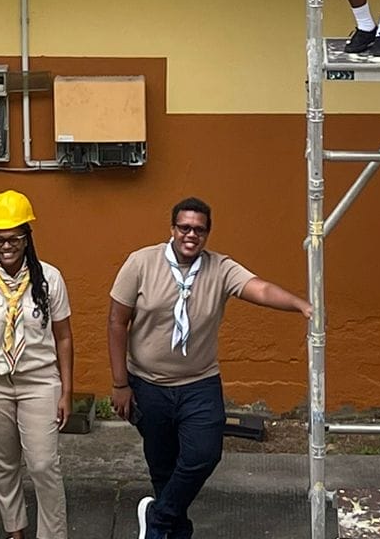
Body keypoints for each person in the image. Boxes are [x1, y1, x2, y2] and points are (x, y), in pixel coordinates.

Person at [108, 197, 311, 539]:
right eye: (184, 227)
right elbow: (117, 321)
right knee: (163, 467)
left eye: (199, 230)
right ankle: (176, 530)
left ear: (207, 234)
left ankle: (157, 519)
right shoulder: (141, 263)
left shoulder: (220, 268)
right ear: (172, 229)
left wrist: (299, 305)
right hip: (147, 384)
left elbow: (258, 287)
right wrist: (119, 384)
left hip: (199, 383)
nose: (191, 235)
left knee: (204, 454)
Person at [0, 191, 73, 539]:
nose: (5, 246)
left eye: (13, 239)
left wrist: (66, 392)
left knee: (43, 465)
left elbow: (64, 338)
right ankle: (15, 529)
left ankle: (52, 535)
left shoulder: (49, 279)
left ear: (27, 239)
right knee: (3, 464)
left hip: (39, 383)